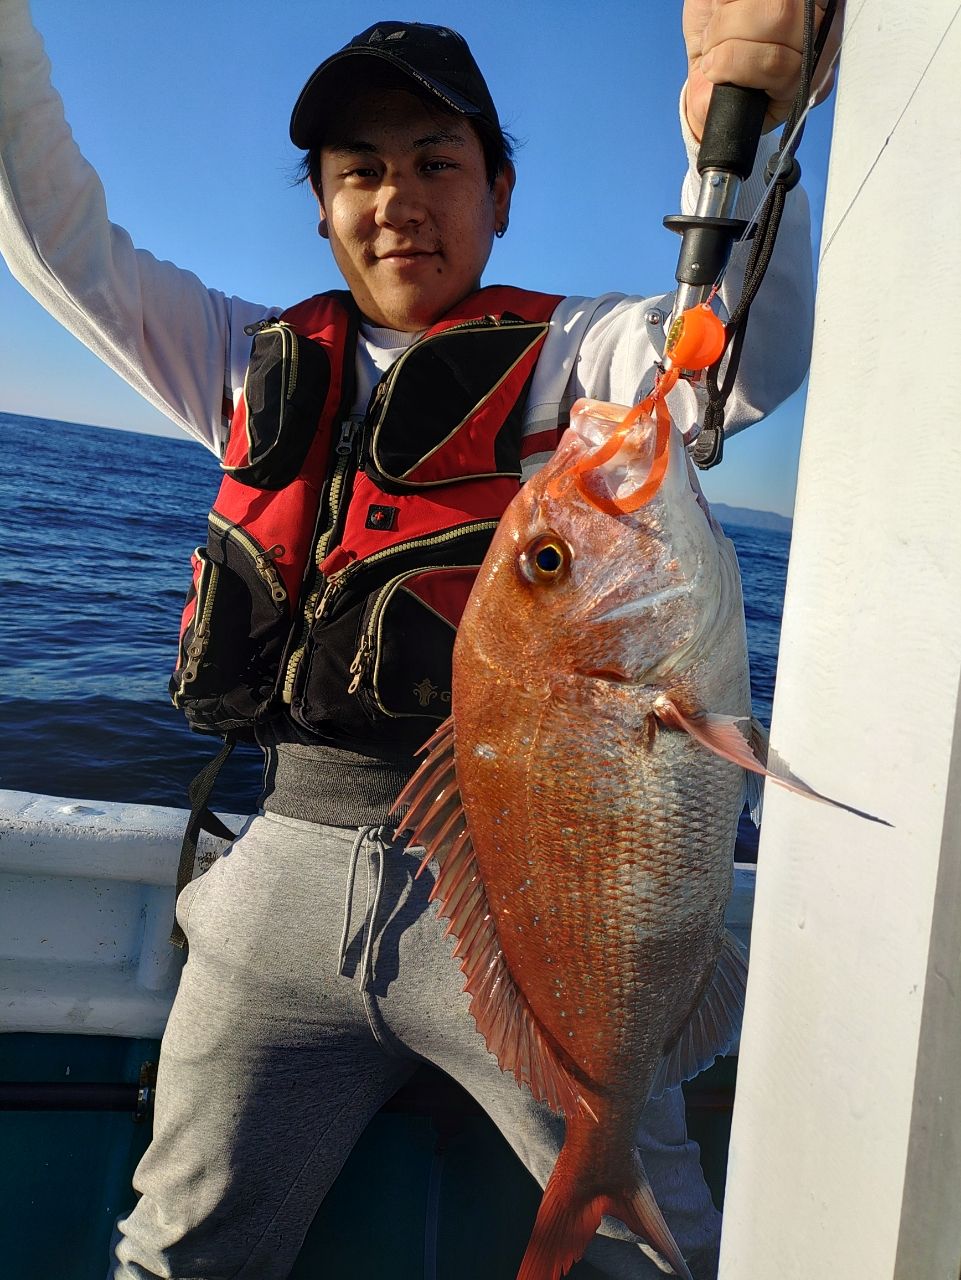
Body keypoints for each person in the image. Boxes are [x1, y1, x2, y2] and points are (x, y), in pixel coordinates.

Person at [0, 2, 835, 1276]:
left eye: (436, 163)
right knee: (178, 1249)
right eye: (358, 173)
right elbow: (63, 242)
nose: (397, 199)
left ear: (500, 190)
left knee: (658, 1257)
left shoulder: (583, 356)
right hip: (276, 883)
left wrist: (748, 129)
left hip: (532, 889)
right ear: (323, 209)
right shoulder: (246, 360)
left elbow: (739, 353)